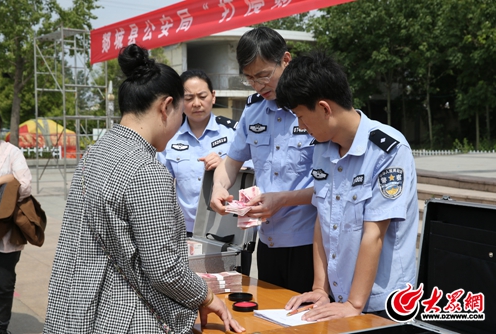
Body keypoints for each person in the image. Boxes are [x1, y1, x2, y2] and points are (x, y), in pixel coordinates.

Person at [43, 44, 244, 334]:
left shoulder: (95, 153)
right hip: (124, 317)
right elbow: (165, 270)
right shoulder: (147, 171)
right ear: (166, 106)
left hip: (78, 309)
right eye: (181, 112)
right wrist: (207, 296)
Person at [276, 51, 419, 320]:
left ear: (324, 108)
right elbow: (323, 217)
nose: (300, 125)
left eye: (301, 116)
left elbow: (374, 234)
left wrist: (354, 305)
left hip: (382, 303)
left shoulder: (387, 150)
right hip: (341, 299)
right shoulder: (323, 148)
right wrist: (320, 288)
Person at [210, 27, 317, 294]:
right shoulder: (254, 110)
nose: (259, 85)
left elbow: (333, 183)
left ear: (286, 60)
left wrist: (282, 199)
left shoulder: (313, 106)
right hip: (267, 239)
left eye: (264, 75)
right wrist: (219, 187)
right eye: (250, 79)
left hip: (310, 241)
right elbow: (231, 162)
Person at [157, 69, 244, 236]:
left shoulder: (233, 132)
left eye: (202, 96)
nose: (196, 103)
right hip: (185, 230)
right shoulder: (169, 138)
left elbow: (254, 169)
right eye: (189, 98)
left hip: (227, 227)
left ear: (213, 96)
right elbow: (161, 185)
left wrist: (225, 165)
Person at [0, 110, 32, 334]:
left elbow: (26, 185)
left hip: (4, 233)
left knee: (2, 284)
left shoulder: (11, 152)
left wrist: (2, 179)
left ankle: (0, 329)